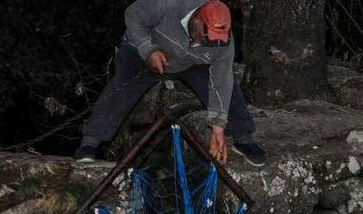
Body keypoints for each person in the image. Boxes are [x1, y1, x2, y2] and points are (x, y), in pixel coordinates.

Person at [74, 0, 267, 167]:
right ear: (198, 20)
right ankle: (90, 143)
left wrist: (218, 125)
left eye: (218, 40)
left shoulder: (222, 42)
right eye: (208, 36)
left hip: (189, 62)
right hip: (145, 51)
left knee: (228, 87)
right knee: (121, 88)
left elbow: (221, 80)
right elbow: (132, 14)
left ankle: (243, 138)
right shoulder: (168, 4)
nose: (213, 43)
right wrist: (147, 49)